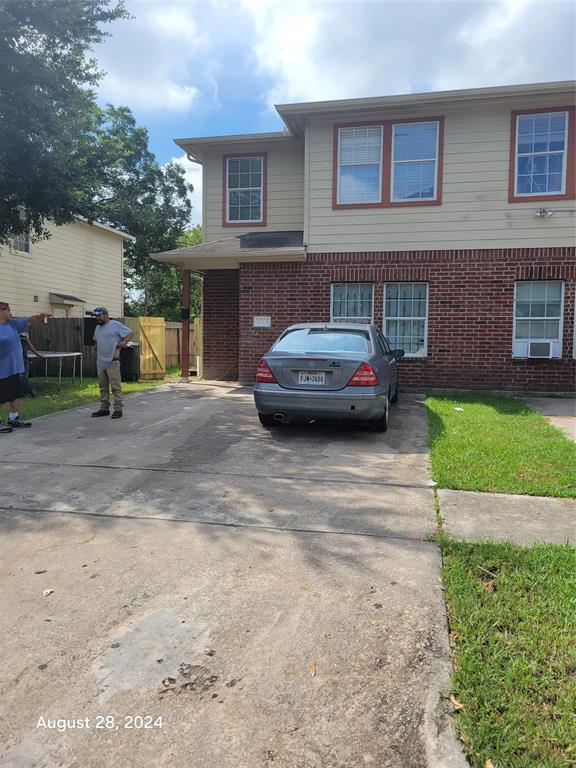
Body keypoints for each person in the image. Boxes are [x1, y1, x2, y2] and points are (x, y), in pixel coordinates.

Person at [0, 302, 48, 433]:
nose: (10, 312)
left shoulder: (12, 323)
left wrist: (40, 316)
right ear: (0, 311)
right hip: (1, 369)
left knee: (15, 394)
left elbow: (29, 320)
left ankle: (13, 418)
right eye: (8, 310)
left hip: (14, 367)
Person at [91, 307, 134, 419]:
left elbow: (130, 333)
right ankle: (104, 408)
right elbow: (97, 340)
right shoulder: (97, 328)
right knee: (103, 387)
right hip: (100, 362)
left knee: (115, 386)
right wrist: (94, 349)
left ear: (106, 315)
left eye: (99, 316)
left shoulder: (115, 325)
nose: (97, 318)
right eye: (96, 316)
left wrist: (123, 343)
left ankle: (118, 409)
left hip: (112, 361)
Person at [19, 330, 43, 397]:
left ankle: (28, 391)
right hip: (17, 359)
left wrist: (37, 354)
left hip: (24, 359)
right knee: (21, 377)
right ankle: (28, 392)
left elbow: (30, 345)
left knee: (23, 377)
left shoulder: (25, 334)